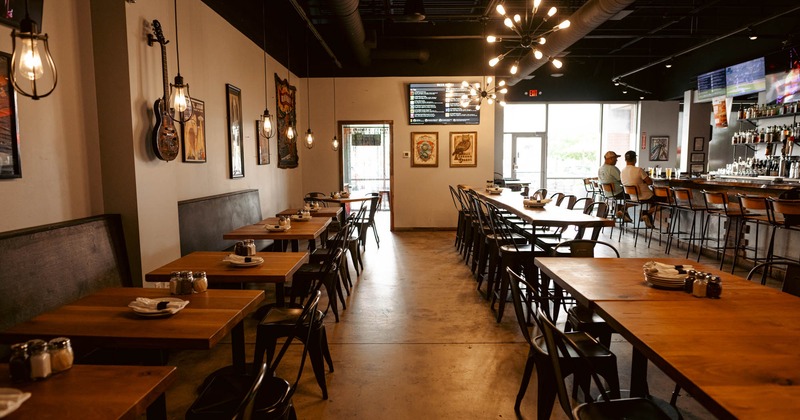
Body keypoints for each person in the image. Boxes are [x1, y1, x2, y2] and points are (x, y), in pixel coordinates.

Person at [620, 150, 658, 227]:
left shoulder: (622, 171)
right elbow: (650, 182)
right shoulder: (639, 170)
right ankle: (646, 213)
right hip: (646, 196)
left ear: (625, 160)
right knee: (667, 201)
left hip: (633, 197)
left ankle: (646, 215)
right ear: (635, 159)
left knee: (654, 201)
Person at [598, 150, 631, 222]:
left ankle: (622, 211)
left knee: (630, 195)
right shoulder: (612, 168)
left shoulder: (600, 169)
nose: (616, 160)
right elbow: (622, 180)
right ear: (610, 159)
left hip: (607, 194)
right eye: (615, 158)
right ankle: (621, 208)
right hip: (617, 192)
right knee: (635, 196)